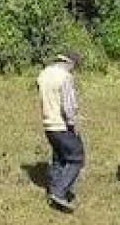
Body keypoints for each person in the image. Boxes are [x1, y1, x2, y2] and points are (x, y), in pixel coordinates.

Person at [36, 52, 84, 212]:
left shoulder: (43, 74)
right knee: (76, 158)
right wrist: (74, 124)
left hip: (48, 124)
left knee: (59, 158)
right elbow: (68, 106)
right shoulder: (65, 77)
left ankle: (53, 190)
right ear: (70, 64)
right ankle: (59, 192)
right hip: (61, 125)